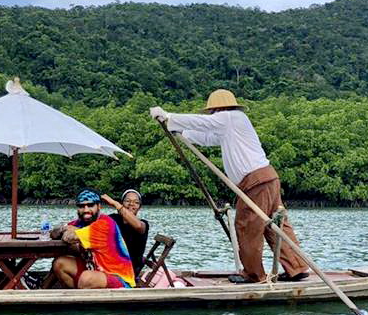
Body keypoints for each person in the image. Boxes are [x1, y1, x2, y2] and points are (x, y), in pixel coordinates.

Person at [150, 89, 310, 284]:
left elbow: (204, 123)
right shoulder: (229, 126)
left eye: (213, 111)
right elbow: (208, 138)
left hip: (256, 182)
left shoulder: (232, 117)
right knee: (275, 225)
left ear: (218, 108)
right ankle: (297, 268)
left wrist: (169, 116)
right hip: (266, 178)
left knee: (247, 226)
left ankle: (253, 274)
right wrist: (182, 133)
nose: (211, 115)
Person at [51, 189, 136, 289]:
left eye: (90, 205)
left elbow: (68, 237)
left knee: (87, 278)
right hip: (96, 270)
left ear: (99, 206)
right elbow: (53, 234)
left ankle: (81, 299)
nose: (86, 210)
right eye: (82, 206)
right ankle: (77, 299)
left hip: (119, 279)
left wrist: (70, 230)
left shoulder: (105, 223)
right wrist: (64, 228)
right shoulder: (81, 222)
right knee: (59, 263)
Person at [101, 189, 149, 279]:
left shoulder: (143, 224)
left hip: (128, 271)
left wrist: (115, 204)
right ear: (122, 203)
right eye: (128, 201)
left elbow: (138, 226)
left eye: (136, 202)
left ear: (139, 207)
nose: (131, 204)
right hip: (110, 265)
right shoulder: (113, 218)